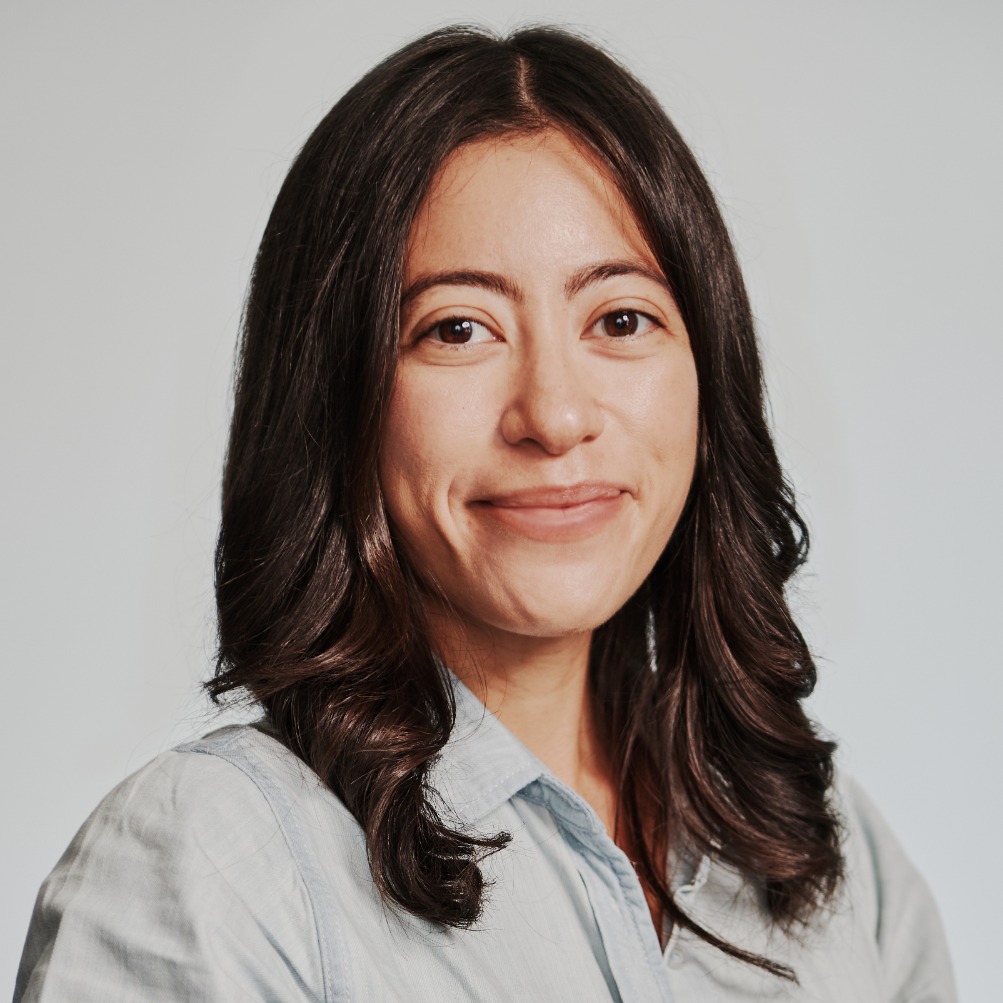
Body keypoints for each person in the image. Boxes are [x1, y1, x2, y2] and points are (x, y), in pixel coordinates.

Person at [14, 25, 957, 1003]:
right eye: (458, 329)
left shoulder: (823, 844)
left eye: (619, 319)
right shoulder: (215, 868)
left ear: (707, 378)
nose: (553, 415)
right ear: (339, 396)